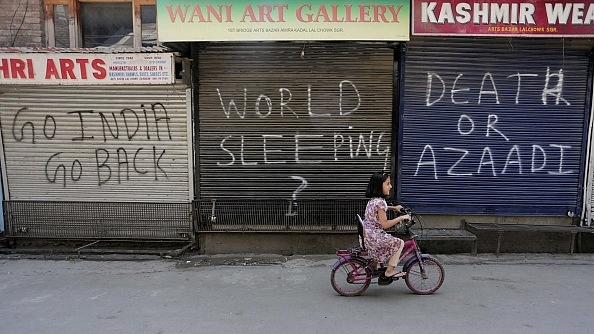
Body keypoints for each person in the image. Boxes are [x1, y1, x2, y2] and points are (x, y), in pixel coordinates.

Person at [363, 171, 411, 281]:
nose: (390, 186)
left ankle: (374, 263)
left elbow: (380, 209)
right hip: (374, 238)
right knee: (399, 243)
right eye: (388, 184)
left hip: (369, 235)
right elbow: (385, 224)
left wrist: (393, 208)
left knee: (389, 240)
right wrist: (401, 218)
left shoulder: (374, 200)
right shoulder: (380, 203)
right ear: (380, 186)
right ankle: (389, 271)